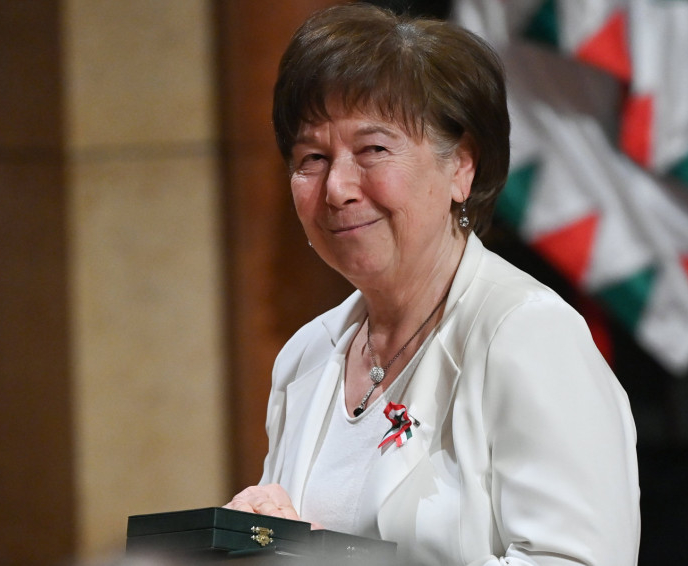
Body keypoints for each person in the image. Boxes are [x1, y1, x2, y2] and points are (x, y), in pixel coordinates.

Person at [224, 4, 640, 565]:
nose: (338, 187)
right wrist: (261, 543)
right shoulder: (305, 357)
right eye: (312, 158)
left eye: (373, 150)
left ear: (461, 166)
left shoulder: (528, 335)